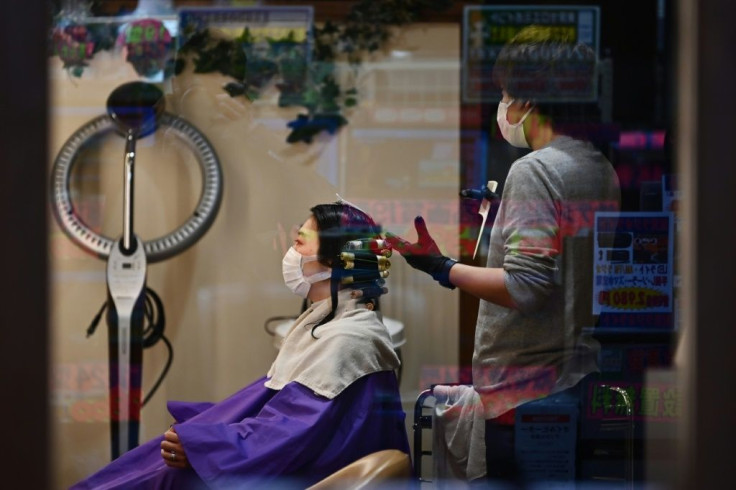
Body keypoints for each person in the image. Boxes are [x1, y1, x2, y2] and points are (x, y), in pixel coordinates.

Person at [387, 25, 621, 484]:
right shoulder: (597, 166)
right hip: (574, 379)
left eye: (505, 93)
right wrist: (498, 219)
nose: (504, 106)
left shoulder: (535, 169)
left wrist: (442, 268)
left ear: (529, 100)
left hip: (524, 394)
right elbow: (562, 268)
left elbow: (527, 287)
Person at [72, 201, 409, 489]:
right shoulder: (331, 323)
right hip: (284, 461)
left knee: (158, 478)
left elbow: (290, 434)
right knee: (144, 465)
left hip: (304, 476)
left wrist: (206, 445)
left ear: (335, 262)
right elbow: (280, 415)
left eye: (300, 243)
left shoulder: (348, 341)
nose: (290, 253)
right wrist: (209, 427)